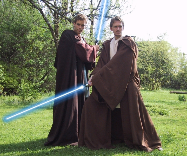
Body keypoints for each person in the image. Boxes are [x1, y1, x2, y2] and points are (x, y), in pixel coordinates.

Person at [78, 16, 163, 152]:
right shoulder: (107, 45)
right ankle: (99, 138)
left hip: (127, 82)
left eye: (120, 26)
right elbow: (102, 64)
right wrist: (94, 76)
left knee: (132, 108)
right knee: (90, 104)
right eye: (115, 26)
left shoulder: (128, 43)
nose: (118, 29)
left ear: (123, 28)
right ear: (111, 28)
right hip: (110, 81)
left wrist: (99, 76)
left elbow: (118, 63)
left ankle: (143, 139)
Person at [44, 14, 99, 146]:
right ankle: (66, 134)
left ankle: (79, 132)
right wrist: (94, 49)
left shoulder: (81, 38)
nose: (80, 27)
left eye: (83, 25)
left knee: (80, 102)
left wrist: (89, 49)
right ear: (73, 23)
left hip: (80, 77)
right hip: (69, 77)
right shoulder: (68, 35)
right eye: (78, 24)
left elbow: (85, 56)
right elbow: (83, 50)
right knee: (69, 103)